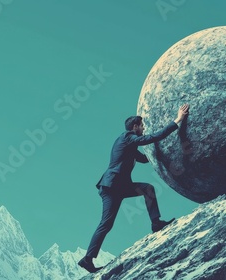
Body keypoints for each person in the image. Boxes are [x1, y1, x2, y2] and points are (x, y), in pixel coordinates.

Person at [78, 104, 190, 273]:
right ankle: (87, 259)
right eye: (142, 126)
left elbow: (145, 158)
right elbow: (151, 138)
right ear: (135, 127)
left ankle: (156, 223)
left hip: (121, 187)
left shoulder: (130, 145)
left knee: (148, 189)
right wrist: (178, 120)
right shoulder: (127, 138)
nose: (144, 128)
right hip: (111, 186)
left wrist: (165, 150)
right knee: (106, 223)